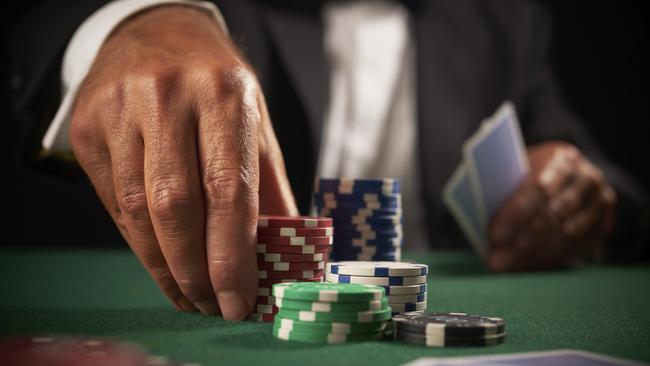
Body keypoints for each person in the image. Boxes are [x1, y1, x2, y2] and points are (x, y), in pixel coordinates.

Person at [7, 0, 648, 321]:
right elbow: (47, 16)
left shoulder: (504, 19)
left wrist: (581, 191)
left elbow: (585, 161)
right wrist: (134, 23)